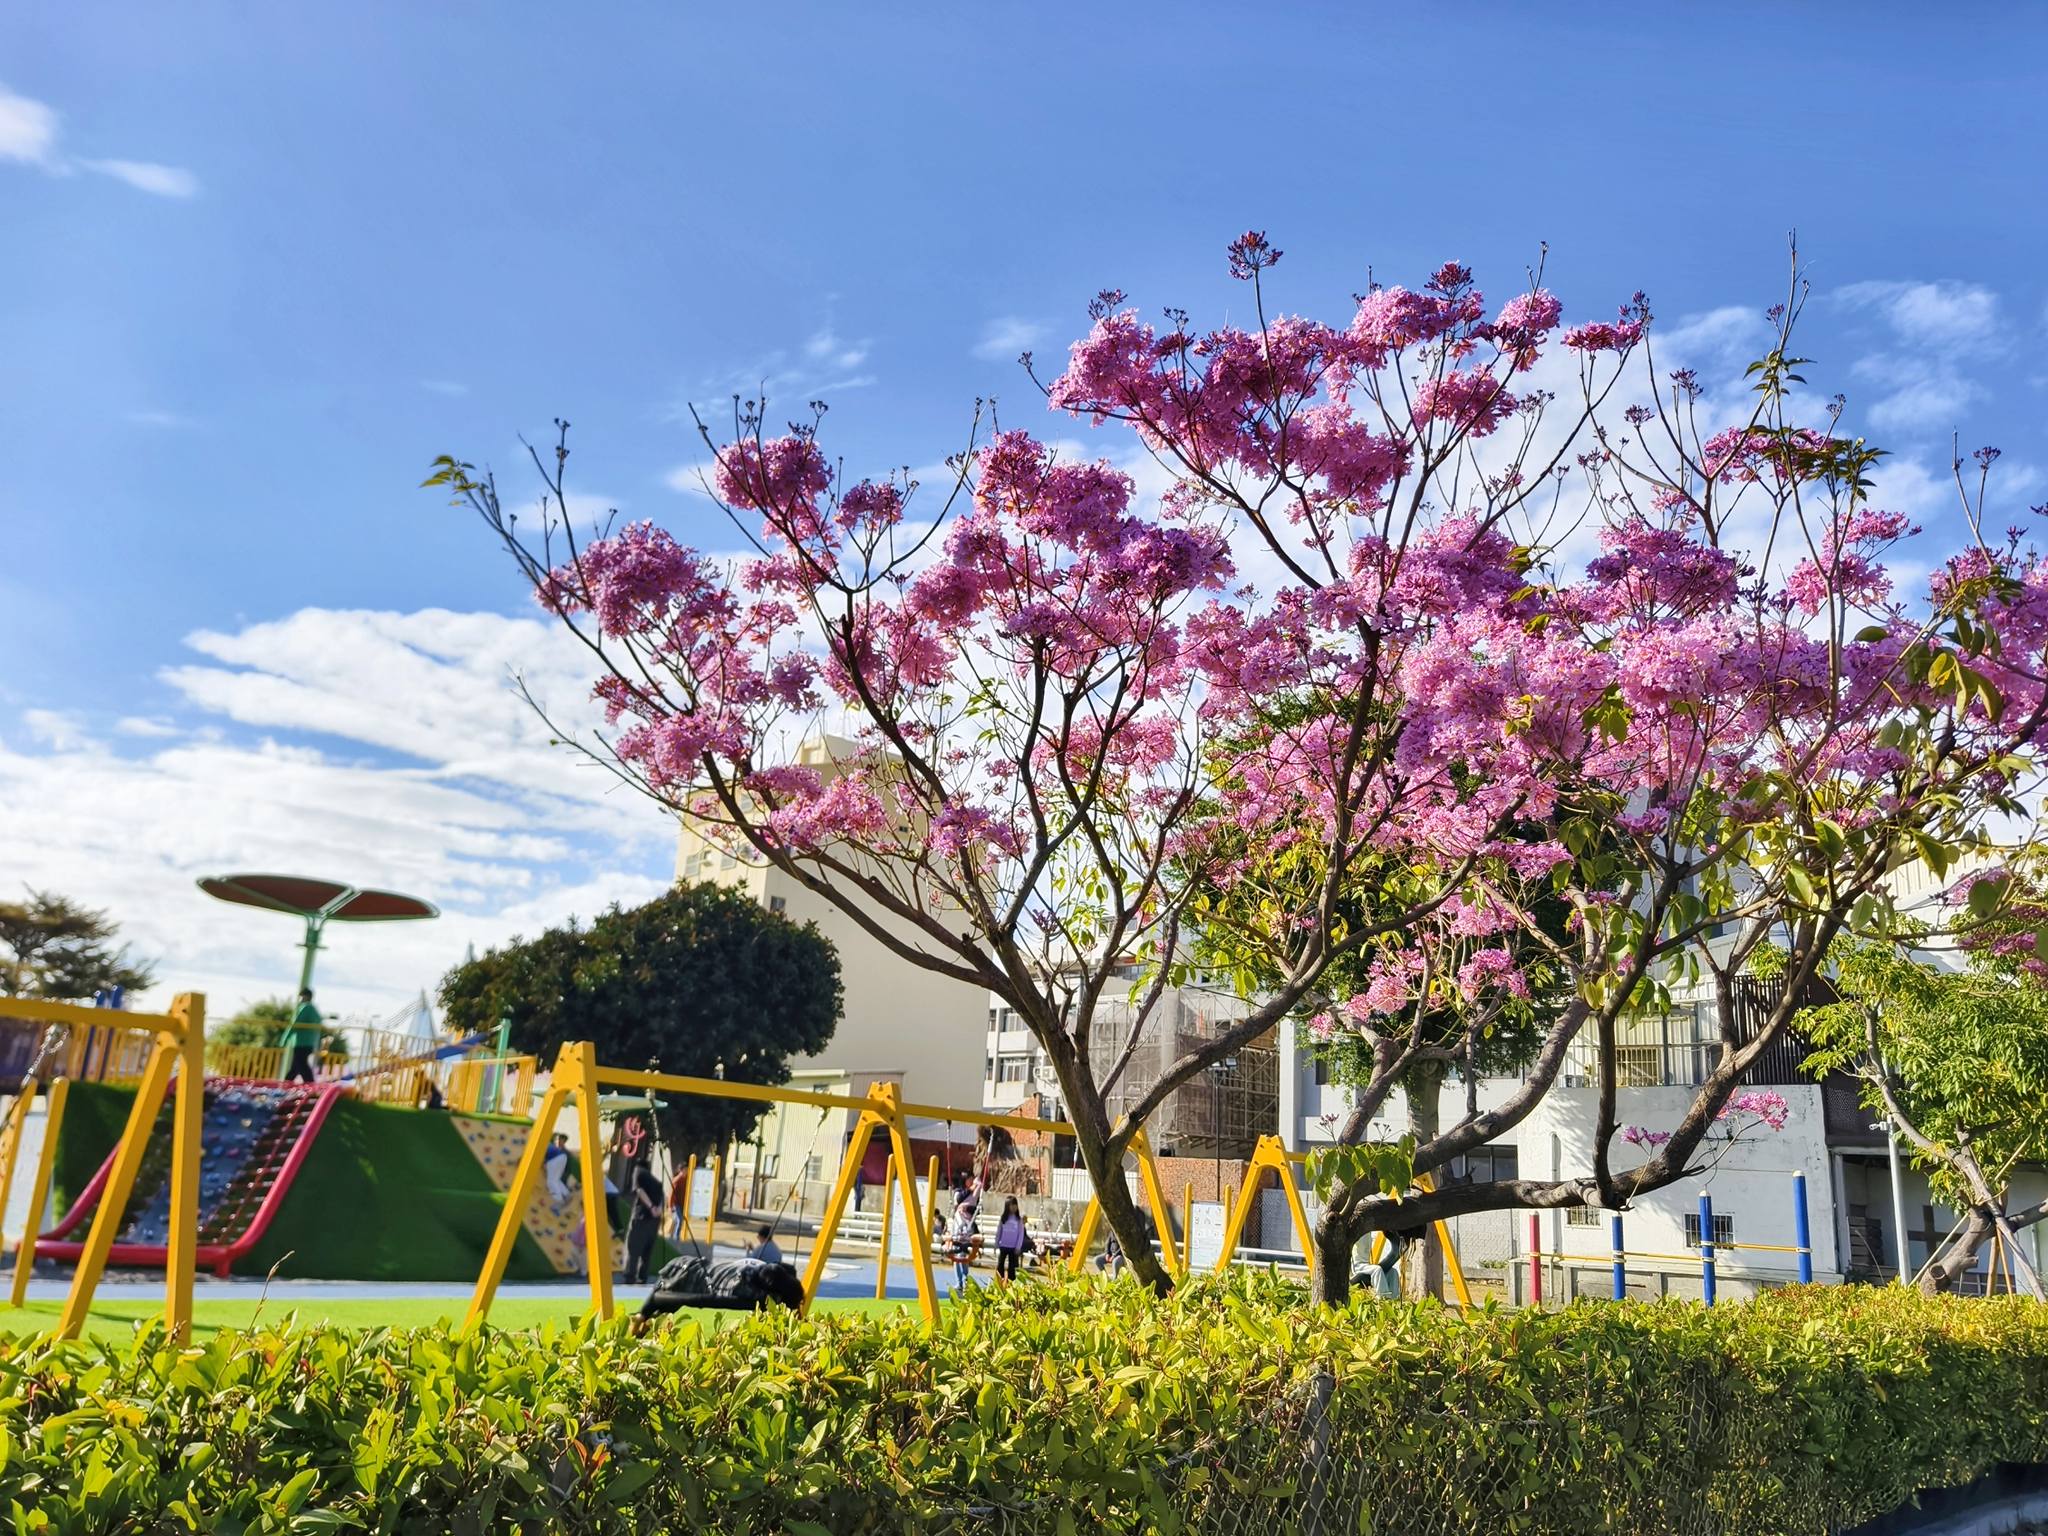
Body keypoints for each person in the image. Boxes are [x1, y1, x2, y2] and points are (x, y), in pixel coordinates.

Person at [624, 1158, 664, 1283]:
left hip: (642, 1216)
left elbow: (639, 1190)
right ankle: (642, 1276)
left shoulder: (638, 1171)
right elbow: (663, 1196)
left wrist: (651, 1207)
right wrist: (659, 1210)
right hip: (655, 1220)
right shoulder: (656, 1182)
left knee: (634, 1248)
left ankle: (630, 1276)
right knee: (647, 1250)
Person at [280, 988, 322, 1084]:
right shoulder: (314, 1010)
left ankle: (311, 1085)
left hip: (301, 1043)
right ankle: (285, 1084)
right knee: (295, 1067)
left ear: (305, 996)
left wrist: (284, 1039)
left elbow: (295, 1024)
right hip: (309, 1043)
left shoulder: (304, 1007)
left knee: (301, 1065)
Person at [994, 1196, 1028, 1283]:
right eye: (1011, 1205)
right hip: (1004, 1245)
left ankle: (1011, 1283)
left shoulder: (1018, 1220)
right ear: (1007, 1206)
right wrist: (996, 1243)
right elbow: (999, 1231)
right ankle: (999, 1282)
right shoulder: (1003, 1219)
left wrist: (1018, 1247)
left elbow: (1020, 1234)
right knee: (1000, 1265)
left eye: (1015, 1205)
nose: (1013, 1207)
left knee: (1012, 1267)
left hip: (1013, 1247)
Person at [947, 1201, 977, 1294]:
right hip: (957, 1241)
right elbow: (953, 1231)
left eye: (963, 1210)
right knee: (956, 1262)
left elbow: (971, 1232)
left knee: (963, 1261)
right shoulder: (957, 1219)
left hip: (965, 1244)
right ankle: (959, 1282)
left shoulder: (970, 1220)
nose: (961, 1211)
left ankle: (964, 1281)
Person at [543, 1133, 571, 1208]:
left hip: (554, 1159)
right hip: (562, 1158)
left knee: (551, 1181)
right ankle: (566, 1194)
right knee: (556, 1179)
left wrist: (544, 1164)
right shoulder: (551, 1145)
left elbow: (543, 1156)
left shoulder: (545, 1145)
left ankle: (559, 1200)